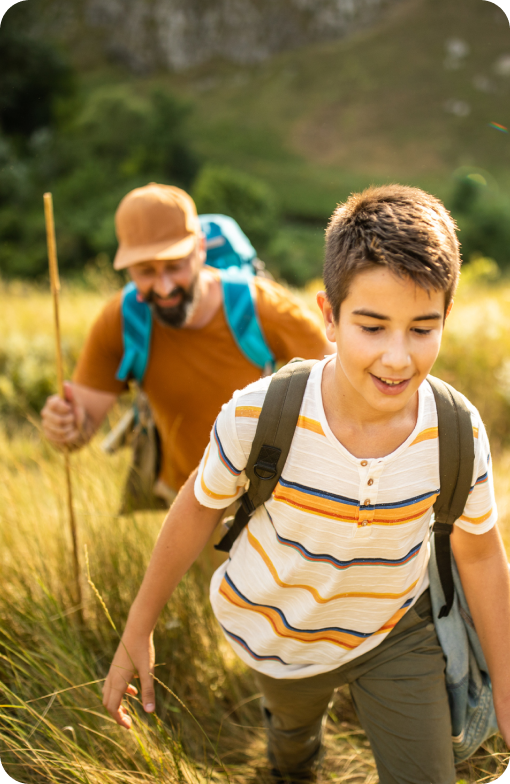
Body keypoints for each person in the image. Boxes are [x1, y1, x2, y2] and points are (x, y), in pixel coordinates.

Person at [101, 185, 510, 783]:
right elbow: (194, 507)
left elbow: (478, 553)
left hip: (395, 632)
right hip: (277, 636)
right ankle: (293, 761)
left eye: (422, 329)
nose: (398, 358)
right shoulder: (260, 414)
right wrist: (140, 625)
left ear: (446, 316)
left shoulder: (457, 430)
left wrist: (505, 681)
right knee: (292, 748)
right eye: (372, 327)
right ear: (328, 316)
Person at [41, 183, 330, 497]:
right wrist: (63, 427)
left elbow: (345, 379)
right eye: (146, 271)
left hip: (261, 498)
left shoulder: (263, 307)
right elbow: (80, 429)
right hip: (180, 497)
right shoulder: (122, 319)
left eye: (175, 267)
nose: (164, 288)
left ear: (200, 249)